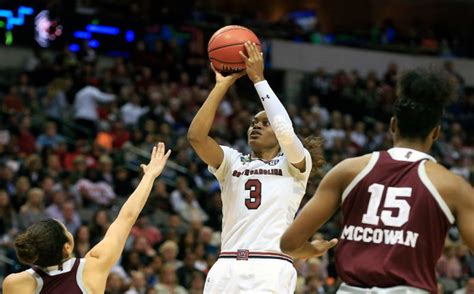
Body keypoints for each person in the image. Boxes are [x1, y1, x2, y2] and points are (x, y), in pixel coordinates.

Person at [280, 67, 474, 293]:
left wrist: (311, 250)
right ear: (436, 133)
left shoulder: (349, 169)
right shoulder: (453, 186)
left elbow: (289, 244)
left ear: (393, 125)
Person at [187, 41, 327, 293]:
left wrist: (259, 79)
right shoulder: (231, 161)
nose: (256, 126)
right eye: (253, 122)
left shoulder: (295, 164)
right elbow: (196, 137)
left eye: (265, 122)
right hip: (226, 264)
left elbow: (285, 130)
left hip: (270, 267)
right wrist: (222, 86)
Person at [2, 142, 171, 294]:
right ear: (67, 248)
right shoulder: (93, 268)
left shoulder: (14, 283)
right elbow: (126, 218)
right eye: (67, 231)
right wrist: (149, 176)